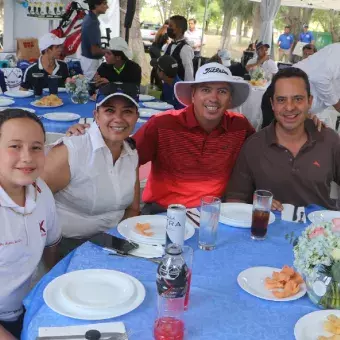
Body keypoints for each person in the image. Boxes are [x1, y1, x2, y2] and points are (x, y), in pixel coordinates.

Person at [65, 63, 255, 212]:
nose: (213, 98)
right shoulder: (163, 124)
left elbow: (261, 156)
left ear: (229, 99)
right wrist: (87, 136)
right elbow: (122, 155)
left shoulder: (240, 126)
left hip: (214, 213)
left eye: (222, 91)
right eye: (205, 90)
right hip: (163, 211)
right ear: (193, 95)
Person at [41, 83, 140, 255]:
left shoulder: (131, 153)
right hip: (66, 245)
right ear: (96, 115)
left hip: (115, 240)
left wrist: (122, 243)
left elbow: (133, 208)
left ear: (136, 117)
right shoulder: (73, 150)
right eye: (109, 110)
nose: (118, 118)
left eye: (127, 111)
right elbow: (32, 202)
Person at [226, 67, 340, 211]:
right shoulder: (254, 145)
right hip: (268, 230)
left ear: (309, 102)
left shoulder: (329, 140)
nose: (290, 107)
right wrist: (255, 205)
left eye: (298, 99)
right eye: (281, 100)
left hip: (321, 230)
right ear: (272, 104)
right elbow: (236, 199)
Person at [0, 109, 61, 338]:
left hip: (29, 304)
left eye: (36, 147)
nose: (27, 157)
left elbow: (51, 244)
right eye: (14, 146)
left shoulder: (40, 190)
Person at [294, 43, 340, 114]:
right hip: (287, 101)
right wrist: (337, 105)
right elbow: (319, 78)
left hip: (304, 110)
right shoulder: (337, 51)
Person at [80, 0, 109, 80]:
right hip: (91, 63)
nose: (107, 7)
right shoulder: (92, 22)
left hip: (88, 61)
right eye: (104, 3)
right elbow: (95, 51)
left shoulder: (88, 17)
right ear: (96, 5)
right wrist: (110, 51)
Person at [165, 15, 194, 81]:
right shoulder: (169, 45)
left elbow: (188, 72)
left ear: (179, 29)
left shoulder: (185, 49)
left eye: (171, 26)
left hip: (178, 86)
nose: (168, 28)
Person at [150, 20, 170, 89]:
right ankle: (158, 84)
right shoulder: (165, 33)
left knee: (155, 67)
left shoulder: (160, 31)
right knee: (159, 67)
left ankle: (152, 83)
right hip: (156, 50)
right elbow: (169, 42)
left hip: (152, 48)